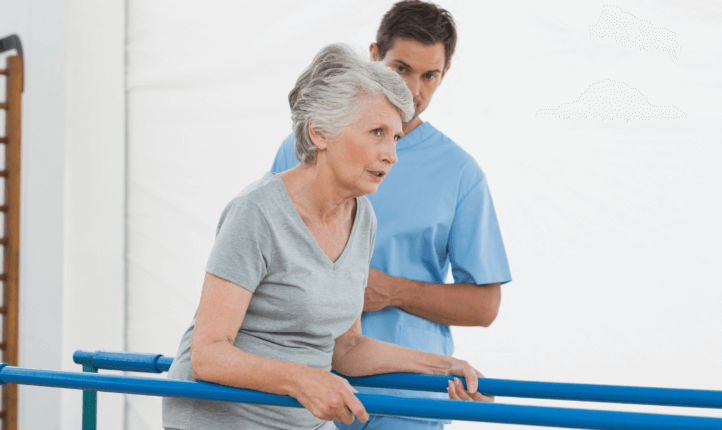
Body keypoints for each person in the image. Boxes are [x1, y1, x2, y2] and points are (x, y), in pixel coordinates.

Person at [162, 43, 492, 430]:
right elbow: (208, 354)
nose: (391, 155)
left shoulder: (362, 216)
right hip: (221, 420)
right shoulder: (257, 212)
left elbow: (346, 348)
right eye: (376, 133)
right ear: (319, 132)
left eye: (396, 138)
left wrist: (442, 366)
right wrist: (303, 378)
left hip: (300, 422)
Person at [270, 2, 512, 430]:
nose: (413, 90)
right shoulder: (305, 145)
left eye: (429, 75)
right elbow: (266, 260)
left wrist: (391, 291)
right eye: (400, 68)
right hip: (306, 389)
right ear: (373, 56)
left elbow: (485, 304)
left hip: (406, 399)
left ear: (445, 74)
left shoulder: (459, 172)